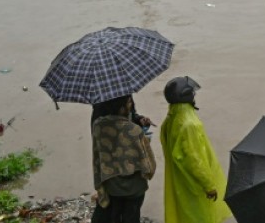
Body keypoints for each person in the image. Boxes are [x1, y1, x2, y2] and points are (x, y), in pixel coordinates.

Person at [160, 77, 232, 223]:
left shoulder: (172, 118)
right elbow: (194, 159)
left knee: (183, 215)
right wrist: (208, 185)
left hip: (181, 181)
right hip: (194, 185)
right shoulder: (189, 124)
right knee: (199, 217)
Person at [91, 95, 157, 223]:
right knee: (131, 217)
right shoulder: (134, 130)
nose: (131, 105)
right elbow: (149, 165)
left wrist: (137, 119)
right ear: (121, 108)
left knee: (114, 216)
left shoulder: (98, 126)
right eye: (129, 102)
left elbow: (98, 155)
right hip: (134, 189)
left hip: (111, 185)